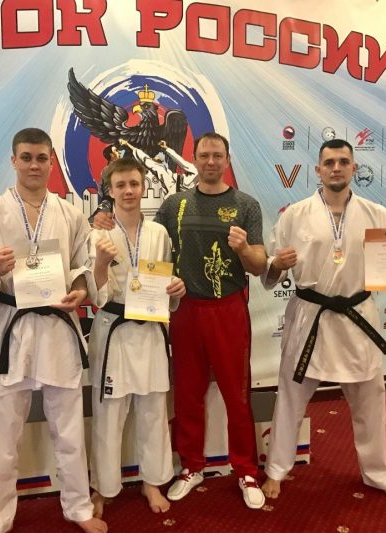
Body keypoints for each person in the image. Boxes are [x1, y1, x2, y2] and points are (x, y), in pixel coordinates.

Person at [94, 132, 268, 509]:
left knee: (237, 394)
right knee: (187, 394)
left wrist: (243, 249)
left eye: (217, 155)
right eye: (204, 155)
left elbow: (259, 265)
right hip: (185, 309)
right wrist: (101, 212)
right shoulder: (175, 205)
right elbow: (145, 243)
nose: (210, 161)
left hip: (228, 308)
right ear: (194, 158)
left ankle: (246, 470)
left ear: (227, 159)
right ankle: (191, 466)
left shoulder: (246, 205)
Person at [0, 128, 107, 533]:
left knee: (69, 429)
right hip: (11, 330)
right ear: (14, 161)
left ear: (52, 161)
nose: (34, 165)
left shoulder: (70, 214)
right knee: (4, 435)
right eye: (26, 157)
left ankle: (78, 507)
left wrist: (79, 289)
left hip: (57, 329)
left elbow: (82, 265)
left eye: (41, 158)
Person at [260, 138, 386, 504]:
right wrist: (276, 265)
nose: (336, 168)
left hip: (357, 318)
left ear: (354, 168)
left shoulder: (377, 214)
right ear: (318, 170)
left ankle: (377, 473)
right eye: (329, 162)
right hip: (311, 317)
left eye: (342, 161)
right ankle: (276, 469)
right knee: (290, 396)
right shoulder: (294, 215)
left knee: (371, 399)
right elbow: (270, 272)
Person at [86, 158, 186, 518]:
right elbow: (95, 296)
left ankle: (152, 481)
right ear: (110, 191)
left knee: (154, 408)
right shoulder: (97, 235)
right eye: (121, 185)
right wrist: (100, 263)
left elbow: (166, 287)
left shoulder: (159, 233)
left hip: (150, 329)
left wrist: (176, 289)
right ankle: (103, 487)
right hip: (113, 330)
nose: (128, 191)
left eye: (134, 184)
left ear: (144, 187)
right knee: (108, 414)